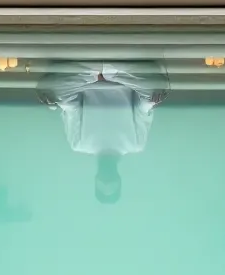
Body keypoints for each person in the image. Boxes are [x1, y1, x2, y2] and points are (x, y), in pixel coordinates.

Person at [36, 61, 170, 205]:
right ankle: (109, 70)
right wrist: (151, 102)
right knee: (157, 88)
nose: (107, 177)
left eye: (103, 181)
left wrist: (55, 101)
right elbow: (142, 110)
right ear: (118, 178)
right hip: (125, 80)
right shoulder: (135, 145)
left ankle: (97, 70)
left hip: (87, 81)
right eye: (110, 180)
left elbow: (71, 107)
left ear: (96, 179)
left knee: (50, 91)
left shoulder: (79, 144)